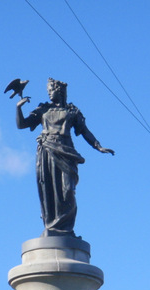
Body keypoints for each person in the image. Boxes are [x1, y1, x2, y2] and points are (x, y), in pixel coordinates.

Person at [16, 78, 114, 237]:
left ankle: (65, 228)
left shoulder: (72, 111)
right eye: (47, 91)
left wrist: (98, 146)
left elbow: (84, 131)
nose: (49, 93)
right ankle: (51, 226)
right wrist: (18, 108)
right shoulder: (43, 109)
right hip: (47, 149)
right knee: (49, 189)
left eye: (51, 90)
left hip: (66, 151)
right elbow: (22, 124)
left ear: (59, 91)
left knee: (68, 190)